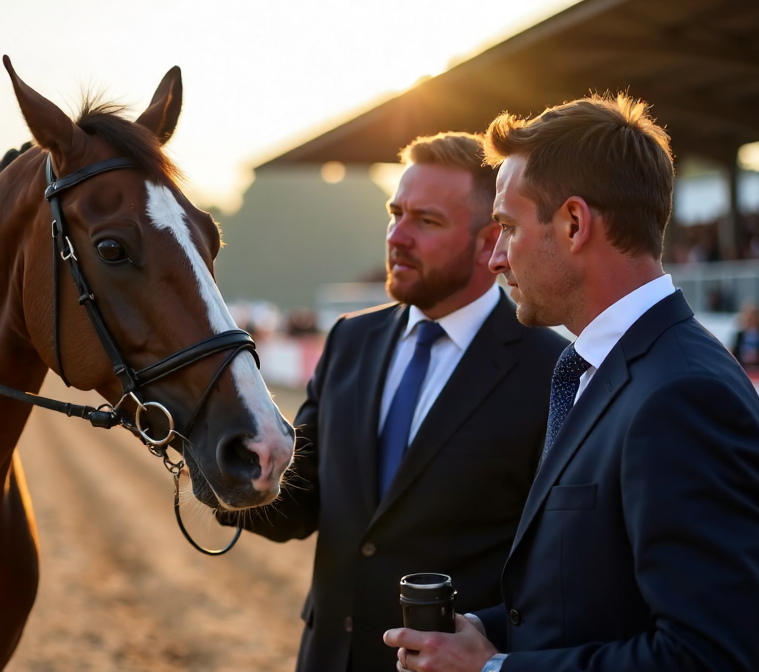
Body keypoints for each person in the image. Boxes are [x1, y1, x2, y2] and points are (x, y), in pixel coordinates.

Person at [384, 94, 759, 672]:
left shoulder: (684, 398)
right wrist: (481, 631)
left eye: (507, 227)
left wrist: (492, 670)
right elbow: (586, 605)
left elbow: (711, 657)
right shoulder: (605, 369)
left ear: (574, 223)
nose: (494, 257)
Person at [222, 132, 566, 672]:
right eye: (394, 212)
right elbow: (302, 503)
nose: (397, 236)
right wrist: (222, 466)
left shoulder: (551, 369)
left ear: (488, 242)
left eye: (426, 221)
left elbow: (556, 571)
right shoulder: (348, 341)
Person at [730, 300, 759, 367]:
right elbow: (736, 353)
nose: (751, 318)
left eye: (754, 315)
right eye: (749, 315)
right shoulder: (740, 335)